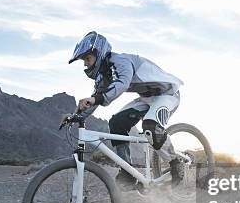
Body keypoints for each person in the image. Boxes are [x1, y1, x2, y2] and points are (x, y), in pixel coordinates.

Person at [69, 31, 185, 188]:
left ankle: (176, 162)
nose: (85, 64)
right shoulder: (104, 75)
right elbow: (96, 99)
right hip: (147, 98)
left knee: (150, 127)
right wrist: (76, 116)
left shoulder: (120, 61)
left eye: (87, 59)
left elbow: (122, 83)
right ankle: (128, 172)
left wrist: (96, 98)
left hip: (168, 94)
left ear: (99, 53)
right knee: (116, 123)